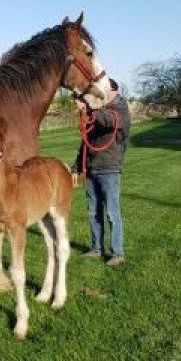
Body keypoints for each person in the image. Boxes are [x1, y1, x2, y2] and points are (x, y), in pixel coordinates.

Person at [71, 79, 131, 266]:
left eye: (105, 90)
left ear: (114, 91)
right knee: (93, 212)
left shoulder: (121, 110)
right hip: (91, 170)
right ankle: (97, 249)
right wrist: (77, 168)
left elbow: (110, 120)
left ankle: (117, 253)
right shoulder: (99, 112)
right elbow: (86, 142)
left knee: (112, 213)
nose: (102, 94)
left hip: (109, 170)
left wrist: (89, 106)